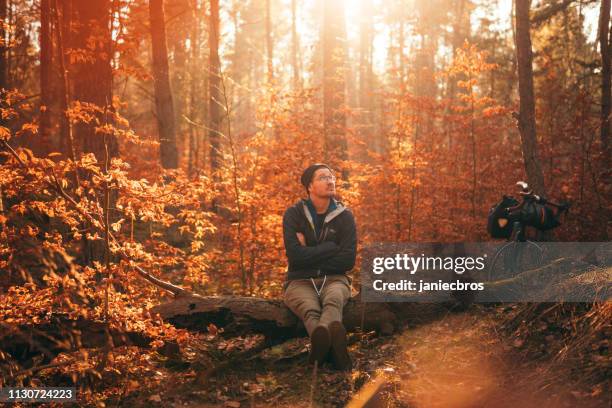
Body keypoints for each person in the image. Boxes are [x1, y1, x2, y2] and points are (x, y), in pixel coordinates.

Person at [282, 163, 357, 371]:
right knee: (310, 309)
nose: (330, 181)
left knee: (333, 301)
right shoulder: (293, 214)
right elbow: (295, 257)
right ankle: (335, 351)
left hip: (335, 279)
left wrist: (309, 253)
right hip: (299, 280)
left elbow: (347, 261)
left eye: (332, 177)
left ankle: (320, 349)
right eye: (323, 177)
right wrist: (331, 247)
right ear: (309, 186)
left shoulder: (345, 216)